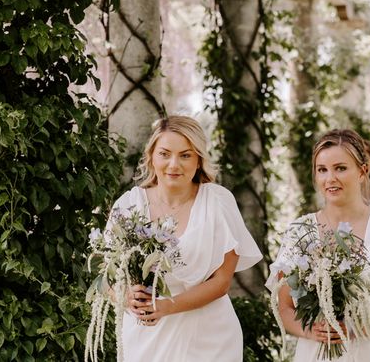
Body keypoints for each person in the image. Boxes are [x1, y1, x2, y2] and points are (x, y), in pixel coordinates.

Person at [112, 115, 262, 362]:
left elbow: (222, 282)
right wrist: (125, 295)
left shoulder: (217, 201)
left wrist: (167, 306)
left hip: (209, 339)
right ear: (151, 156)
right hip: (146, 337)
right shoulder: (129, 204)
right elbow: (106, 273)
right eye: (165, 154)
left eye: (185, 155)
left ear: (199, 160)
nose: (174, 165)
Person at [268, 128, 370, 361]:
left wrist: (354, 329)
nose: (330, 179)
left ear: (362, 171)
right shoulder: (300, 231)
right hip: (314, 354)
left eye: (340, 168)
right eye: (322, 170)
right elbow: (285, 306)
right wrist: (310, 330)